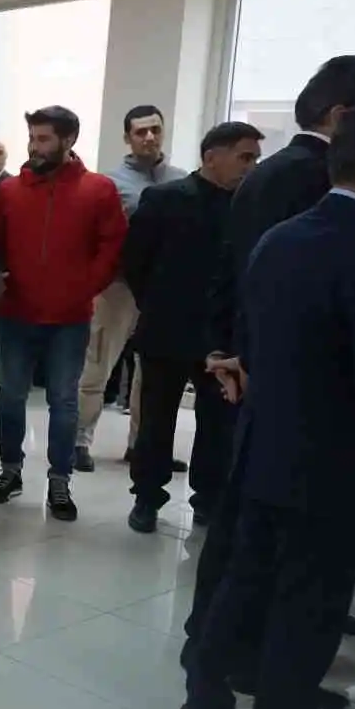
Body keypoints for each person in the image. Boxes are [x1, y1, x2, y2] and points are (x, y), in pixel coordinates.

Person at [174, 107, 355, 709]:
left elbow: (260, 339)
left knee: (244, 582)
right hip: (334, 460)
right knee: (309, 601)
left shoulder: (285, 238)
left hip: (263, 442)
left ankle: (204, 704)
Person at [0, 106, 125, 521]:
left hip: (69, 317)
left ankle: (59, 481)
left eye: (44, 138)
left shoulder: (98, 190)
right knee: (10, 395)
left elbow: (112, 246)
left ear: (68, 140)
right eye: (32, 137)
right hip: (16, 312)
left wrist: (84, 287)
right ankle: (10, 471)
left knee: (63, 401)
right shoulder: (10, 191)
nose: (34, 146)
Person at [121, 121, 262, 534]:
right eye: (244, 157)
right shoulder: (165, 199)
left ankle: (208, 499)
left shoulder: (249, 205)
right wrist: (156, 303)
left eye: (255, 158)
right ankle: (147, 496)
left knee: (218, 423)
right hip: (166, 329)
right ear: (211, 156)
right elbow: (136, 262)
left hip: (221, 337)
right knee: (156, 421)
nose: (251, 166)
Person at [74, 105, 187, 472]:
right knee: (97, 364)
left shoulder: (180, 180)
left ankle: (142, 444)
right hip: (118, 287)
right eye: (141, 132)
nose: (149, 137)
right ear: (127, 138)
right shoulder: (109, 184)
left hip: (163, 290)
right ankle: (78, 441)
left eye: (155, 129)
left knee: (152, 373)